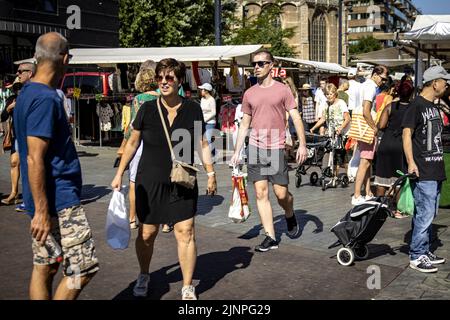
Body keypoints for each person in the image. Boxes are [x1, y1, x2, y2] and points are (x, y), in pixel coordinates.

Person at [111, 58, 217, 299]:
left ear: (179, 80)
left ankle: (187, 285)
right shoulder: (147, 108)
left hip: (182, 179)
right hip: (150, 180)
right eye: (160, 77)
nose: (163, 82)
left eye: (169, 77)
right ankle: (144, 273)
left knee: (186, 231)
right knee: (147, 233)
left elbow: (201, 143)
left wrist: (211, 173)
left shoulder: (192, 108)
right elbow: (132, 142)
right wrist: (119, 173)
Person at [13, 32, 99, 299]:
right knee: (82, 269)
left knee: (46, 265)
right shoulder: (46, 98)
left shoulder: (27, 92)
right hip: (58, 200)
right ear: (64, 58)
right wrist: (41, 211)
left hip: (43, 198)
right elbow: (34, 157)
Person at [230, 49, 308, 252]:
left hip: (276, 146)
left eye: (261, 63)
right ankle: (270, 236)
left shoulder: (282, 90)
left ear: (271, 65)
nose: (256, 67)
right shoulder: (249, 93)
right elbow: (244, 124)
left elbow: (296, 117)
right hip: (255, 147)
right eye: (254, 64)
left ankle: (289, 214)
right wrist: (237, 151)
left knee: (281, 194)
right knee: (260, 192)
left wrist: (302, 144)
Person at [402, 65, 448, 273]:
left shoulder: (435, 106)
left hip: (435, 167)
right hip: (423, 169)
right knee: (425, 213)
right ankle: (416, 255)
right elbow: (406, 135)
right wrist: (411, 162)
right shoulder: (416, 106)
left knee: (429, 213)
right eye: (444, 81)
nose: (446, 85)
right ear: (435, 82)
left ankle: (424, 249)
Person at [125, 61, 159, 230]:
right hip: (158, 144)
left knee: (133, 182)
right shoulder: (162, 97)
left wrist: (124, 144)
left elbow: (132, 126)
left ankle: (132, 218)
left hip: (140, 144)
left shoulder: (138, 100)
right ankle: (166, 222)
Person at [374, 78, 414, 218]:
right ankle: (398, 210)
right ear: (411, 93)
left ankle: (380, 209)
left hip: (386, 143)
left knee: (382, 177)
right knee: (398, 180)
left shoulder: (390, 106)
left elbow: (381, 125)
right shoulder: (413, 108)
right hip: (401, 145)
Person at [351, 65, 389, 206]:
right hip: (366, 126)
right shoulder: (371, 87)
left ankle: (367, 192)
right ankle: (356, 195)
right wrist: (374, 128)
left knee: (367, 161)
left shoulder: (365, 84)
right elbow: (366, 110)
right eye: (382, 78)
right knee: (365, 161)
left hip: (361, 126)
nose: (383, 82)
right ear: (375, 74)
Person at [309, 83, 351, 186]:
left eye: (331, 94)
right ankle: (334, 177)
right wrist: (314, 128)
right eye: (327, 94)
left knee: (341, 155)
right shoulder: (326, 104)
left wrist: (340, 128)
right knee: (333, 154)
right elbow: (323, 118)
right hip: (331, 133)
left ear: (335, 93)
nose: (329, 96)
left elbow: (347, 118)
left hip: (342, 134)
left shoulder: (341, 103)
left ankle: (348, 174)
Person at [198, 82, 216, 159]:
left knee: (208, 140)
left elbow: (214, 112)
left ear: (206, 91)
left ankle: (209, 158)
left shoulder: (212, 100)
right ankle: (209, 156)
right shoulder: (202, 99)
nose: (200, 91)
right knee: (204, 140)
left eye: (202, 90)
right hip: (203, 122)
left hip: (210, 122)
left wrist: (205, 119)